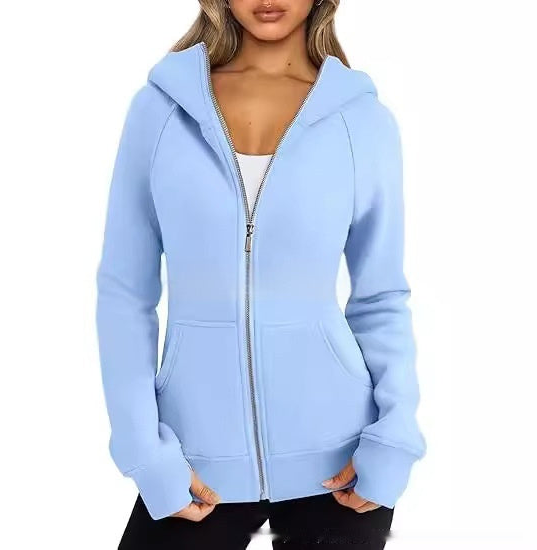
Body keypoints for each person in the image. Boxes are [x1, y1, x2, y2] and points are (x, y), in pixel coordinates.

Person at [95, 0, 426, 548]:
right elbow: (124, 293)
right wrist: (143, 449)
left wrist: (394, 435)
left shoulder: (361, 120)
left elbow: (381, 296)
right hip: (193, 462)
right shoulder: (160, 111)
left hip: (342, 462)